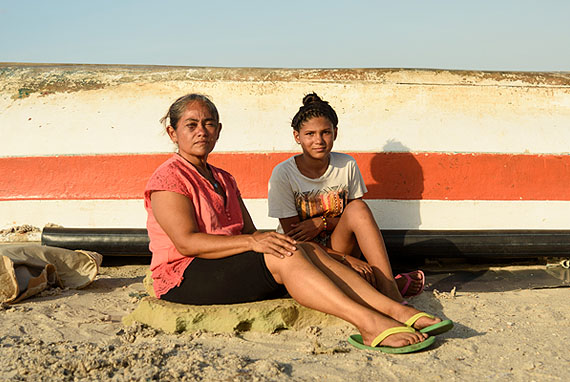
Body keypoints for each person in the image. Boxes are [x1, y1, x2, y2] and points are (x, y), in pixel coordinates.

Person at [144, 93, 451, 353]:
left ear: (219, 130)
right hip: (186, 275)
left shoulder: (223, 178)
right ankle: (369, 324)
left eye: (209, 124)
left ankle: (396, 309)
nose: (202, 131)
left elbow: (250, 233)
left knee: (298, 246)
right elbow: (186, 242)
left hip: (227, 263)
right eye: (191, 125)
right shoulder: (169, 177)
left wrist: (271, 242)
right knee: (287, 254)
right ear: (173, 134)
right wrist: (254, 242)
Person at [268, 93, 424, 303]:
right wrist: (346, 259)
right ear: (297, 137)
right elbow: (294, 239)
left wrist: (321, 222)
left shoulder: (347, 165)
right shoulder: (284, 174)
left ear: (335, 133)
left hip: (339, 245)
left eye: (325, 132)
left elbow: (355, 219)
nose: (318, 141)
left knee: (359, 207)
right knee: (345, 276)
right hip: (306, 256)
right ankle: (387, 284)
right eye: (309, 134)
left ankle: (389, 288)